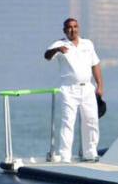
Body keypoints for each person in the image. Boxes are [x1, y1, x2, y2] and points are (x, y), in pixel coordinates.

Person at [43, 18, 103, 163]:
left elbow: (95, 64)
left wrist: (100, 85)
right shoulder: (59, 44)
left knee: (91, 120)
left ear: (78, 28)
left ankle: (90, 153)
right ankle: (65, 156)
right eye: (69, 27)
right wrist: (57, 50)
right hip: (69, 89)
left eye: (75, 27)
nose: (72, 30)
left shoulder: (87, 44)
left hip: (87, 87)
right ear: (64, 30)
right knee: (68, 122)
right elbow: (46, 56)